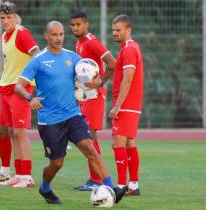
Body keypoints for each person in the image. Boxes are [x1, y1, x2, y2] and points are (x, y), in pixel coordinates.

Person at [15, 20, 126, 204]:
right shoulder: (38, 60)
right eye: (54, 35)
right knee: (57, 163)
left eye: (61, 34)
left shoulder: (73, 58)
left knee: (90, 149)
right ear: (46, 36)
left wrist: (97, 81)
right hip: (50, 121)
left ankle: (112, 188)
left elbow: (88, 75)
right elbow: (19, 86)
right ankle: (45, 187)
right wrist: (30, 98)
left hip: (73, 115)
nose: (58, 38)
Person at [0, 1, 39, 188]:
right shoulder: (4, 36)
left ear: (15, 17)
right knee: (12, 133)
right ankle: (18, 174)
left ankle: (27, 176)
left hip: (20, 89)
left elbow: (37, 55)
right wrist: (3, 78)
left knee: (20, 133)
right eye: (2, 18)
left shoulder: (22, 34)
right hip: (5, 88)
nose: (6, 21)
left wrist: (28, 80)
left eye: (9, 17)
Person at [70, 11, 116, 191]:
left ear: (87, 24)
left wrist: (101, 82)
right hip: (84, 95)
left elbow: (112, 63)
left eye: (78, 24)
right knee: (85, 136)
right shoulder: (79, 43)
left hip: (95, 96)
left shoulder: (92, 42)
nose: (75, 28)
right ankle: (94, 179)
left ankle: (97, 180)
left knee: (90, 136)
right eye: (72, 25)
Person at [106, 14, 144, 196]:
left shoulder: (129, 49)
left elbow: (128, 79)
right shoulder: (128, 48)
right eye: (113, 29)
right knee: (129, 143)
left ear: (128, 30)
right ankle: (133, 185)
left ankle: (121, 186)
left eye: (118, 30)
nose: (114, 33)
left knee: (117, 143)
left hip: (126, 104)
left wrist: (117, 105)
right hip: (130, 104)